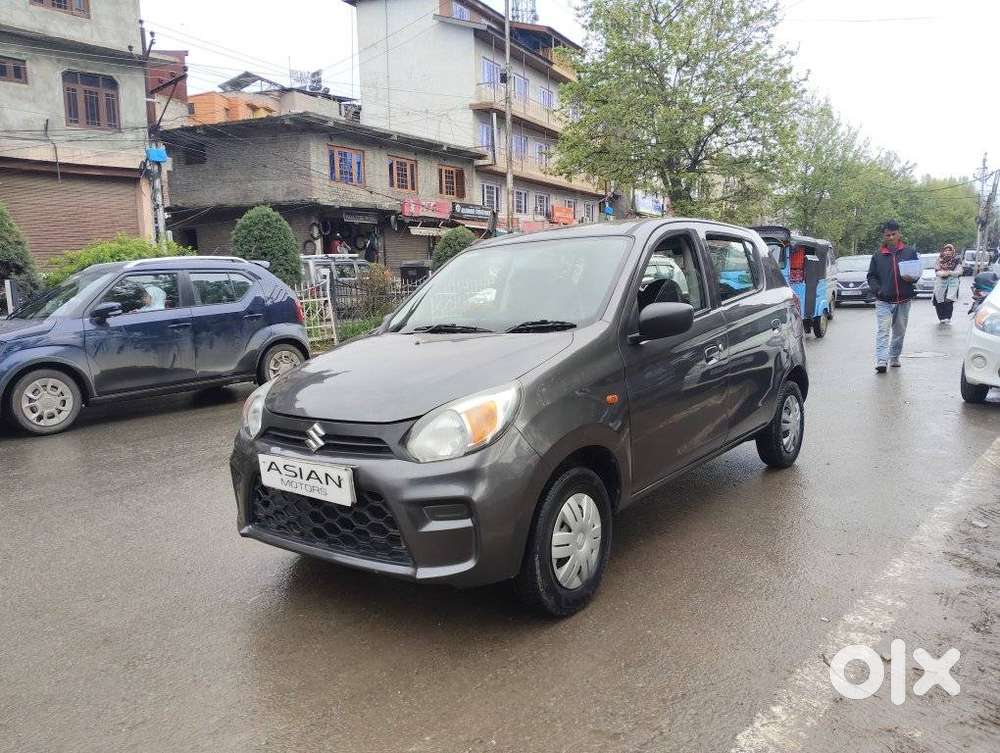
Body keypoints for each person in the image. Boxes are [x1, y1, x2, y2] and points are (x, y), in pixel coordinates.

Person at [866, 220, 920, 373]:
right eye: (887, 235)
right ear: (884, 236)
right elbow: (871, 276)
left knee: (899, 332)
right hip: (883, 300)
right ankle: (881, 360)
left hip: (903, 299)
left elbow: (916, 273)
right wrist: (878, 290)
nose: (890, 237)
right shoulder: (878, 255)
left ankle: (894, 357)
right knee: (883, 331)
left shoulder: (909, 252)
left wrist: (912, 278)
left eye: (893, 234)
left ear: (899, 234)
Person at [932, 243, 962, 323]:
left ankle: (947, 317)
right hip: (940, 283)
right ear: (943, 251)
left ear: (953, 251)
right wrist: (942, 274)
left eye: (949, 250)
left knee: (949, 301)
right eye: (946, 250)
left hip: (952, 284)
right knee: (938, 301)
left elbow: (959, 272)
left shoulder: (956, 260)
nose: (947, 252)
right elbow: (936, 270)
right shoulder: (939, 259)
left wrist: (949, 272)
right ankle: (941, 318)